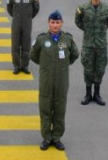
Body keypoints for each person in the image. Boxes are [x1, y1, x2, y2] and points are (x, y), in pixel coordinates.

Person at [30, 10, 79, 151]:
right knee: (45, 108)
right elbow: (33, 56)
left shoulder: (67, 39)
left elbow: (74, 55)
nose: (55, 25)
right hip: (46, 80)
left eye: (58, 22)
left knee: (59, 109)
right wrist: (46, 67)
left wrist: (62, 66)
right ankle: (46, 137)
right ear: (48, 23)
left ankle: (56, 137)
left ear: (62, 23)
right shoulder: (41, 39)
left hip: (62, 81)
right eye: (52, 22)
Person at [75, 0, 108, 106]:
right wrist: (87, 30)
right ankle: (87, 94)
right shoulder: (83, 8)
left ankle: (97, 94)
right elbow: (78, 21)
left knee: (100, 69)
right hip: (88, 44)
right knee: (88, 69)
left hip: (101, 45)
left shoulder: (106, 8)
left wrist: (100, 31)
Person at [6, 0, 39, 74]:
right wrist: (16, 16)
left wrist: (28, 17)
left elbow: (36, 9)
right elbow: (9, 9)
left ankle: (25, 66)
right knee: (15, 45)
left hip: (27, 24)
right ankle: (16, 66)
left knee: (26, 45)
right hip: (16, 23)